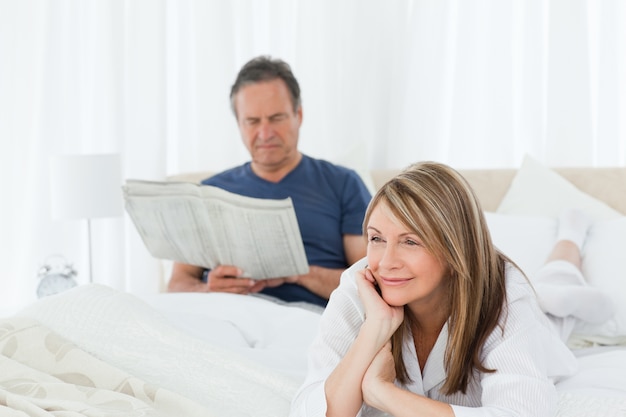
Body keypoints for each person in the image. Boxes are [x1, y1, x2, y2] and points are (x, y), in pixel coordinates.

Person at [290, 162, 614, 416]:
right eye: (376, 238)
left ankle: (570, 236)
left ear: (453, 248)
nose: (386, 262)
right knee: (546, 292)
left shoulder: (504, 295)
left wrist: (382, 392)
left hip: (539, 324)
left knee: (557, 289)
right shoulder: (359, 286)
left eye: (410, 241)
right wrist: (375, 329)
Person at [167, 56, 372, 308]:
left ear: (299, 115)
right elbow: (176, 285)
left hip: (309, 319)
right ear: (239, 125)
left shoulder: (343, 184)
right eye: (252, 121)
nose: (265, 133)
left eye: (276, 118)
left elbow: (369, 285)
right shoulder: (209, 192)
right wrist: (208, 290)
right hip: (226, 314)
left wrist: (298, 272)